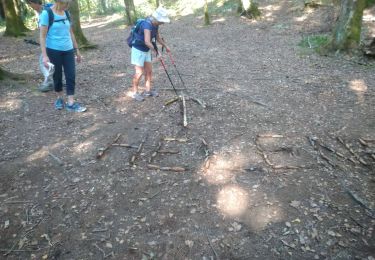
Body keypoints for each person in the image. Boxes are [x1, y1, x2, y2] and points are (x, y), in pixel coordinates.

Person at [39, 0, 86, 112]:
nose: (67, 6)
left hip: (68, 50)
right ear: (58, 1)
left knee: (71, 75)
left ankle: (71, 102)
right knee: (57, 76)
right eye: (66, 3)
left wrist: (77, 50)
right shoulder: (47, 14)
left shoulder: (66, 13)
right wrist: (45, 56)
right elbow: (42, 37)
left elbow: (71, 33)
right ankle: (59, 98)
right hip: (53, 50)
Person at [130, 7, 171, 102]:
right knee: (139, 72)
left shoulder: (155, 25)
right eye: (162, 21)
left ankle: (148, 91)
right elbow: (147, 41)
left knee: (149, 71)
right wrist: (157, 52)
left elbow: (158, 38)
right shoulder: (147, 25)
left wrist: (166, 46)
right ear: (157, 19)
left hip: (146, 50)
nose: (163, 23)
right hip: (138, 50)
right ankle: (135, 93)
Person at [26, 0, 54, 92]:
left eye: (30, 4)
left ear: (34, 2)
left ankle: (49, 82)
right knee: (48, 61)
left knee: (43, 61)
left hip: (50, 42)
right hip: (50, 42)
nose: (31, 6)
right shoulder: (43, 11)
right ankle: (53, 81)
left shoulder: (45, 12)